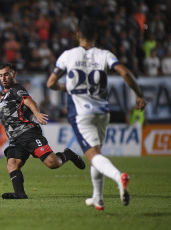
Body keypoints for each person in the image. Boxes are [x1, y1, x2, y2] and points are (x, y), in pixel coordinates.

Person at [47, 17, 146, 210]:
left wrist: (64, 87)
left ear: (77, 35)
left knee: (93, 156)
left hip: (81, 113)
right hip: (102, 112)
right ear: (96, 36)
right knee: (97, 153)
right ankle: (97, 198)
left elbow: (50, 83)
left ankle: (119, 178)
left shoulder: (68, 55)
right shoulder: (104, 54)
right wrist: (139, 95)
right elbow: (125, 73)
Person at [0, 63, 85, 199]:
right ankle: (20, 193)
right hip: (15, 139)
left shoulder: (17, 89)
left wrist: (37, 114)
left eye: (6, 74)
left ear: (14, 75)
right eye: (1, 75)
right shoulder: (4, 97)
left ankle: (68, 154)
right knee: (12, 164)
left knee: (52, 163)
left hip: (29, 133)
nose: (3, 78)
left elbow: (28, 101)